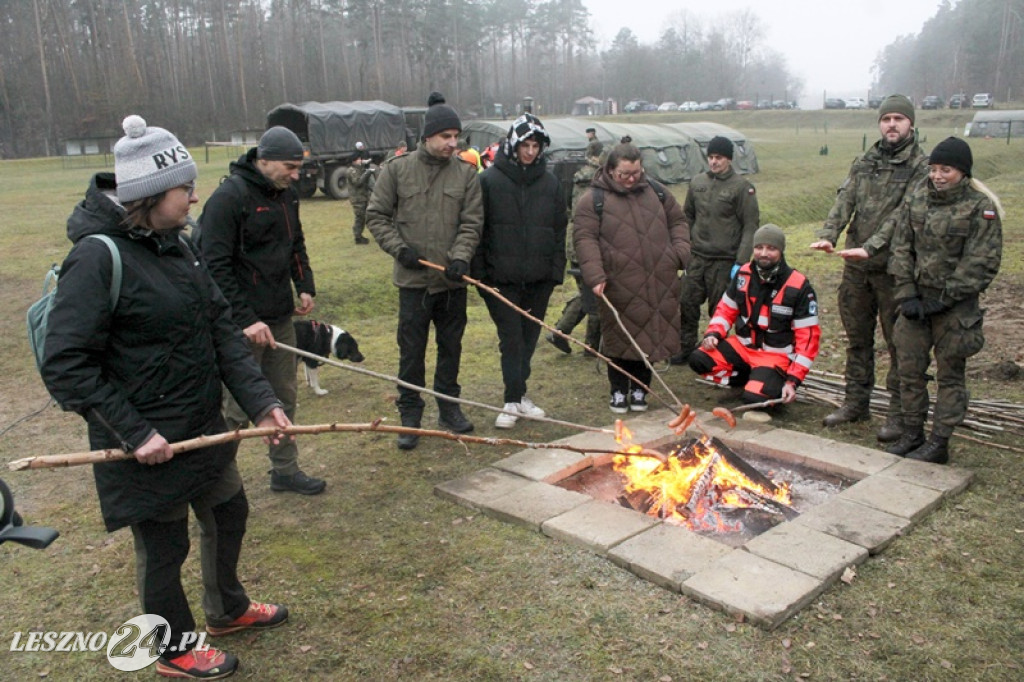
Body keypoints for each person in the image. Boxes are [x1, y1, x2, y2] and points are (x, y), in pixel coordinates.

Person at [41, 116, 291, 679]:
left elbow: (221, 330)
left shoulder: (178, 245)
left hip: (201, 425)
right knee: (164, 547)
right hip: (146, 440)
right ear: (149, 195)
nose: (194, 197)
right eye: (184, 188)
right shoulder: (97, 258)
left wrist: (261, 402)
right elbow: (66, 364)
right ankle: (173, 648)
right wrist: (136, 434)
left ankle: (226, 608)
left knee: (229, 511)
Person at [198, 126, 326, 495]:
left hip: (279, 317)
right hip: (240, 325)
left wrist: (304, 285)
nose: (296, 175)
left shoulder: (288, 196)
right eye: (290, 167)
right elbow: (213, 266)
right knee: (237, 408)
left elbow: (295, 243)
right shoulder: (228, 198)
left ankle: (285, 470)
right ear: (264, 160)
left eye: (299, 167)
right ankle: (214, 482)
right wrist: (245, 319)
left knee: (284, 397)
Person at [366, 92, 484, 449]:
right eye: (446, 136)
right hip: (413, 284)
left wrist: (460, 257)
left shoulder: (466, 174)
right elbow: (376, 215)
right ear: (428, 136)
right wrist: (399, 249)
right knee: (411, 352)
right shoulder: (396, 170)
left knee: (451, 348)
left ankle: (449, 408)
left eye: (456, 136)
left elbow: (471, 223)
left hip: (451, 283)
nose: (453, 143)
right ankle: (410, 415)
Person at [810, 94, 929, 442]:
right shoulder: (864, 162)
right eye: (886, 119)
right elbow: (844, 200)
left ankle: (897, 412)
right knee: (857, 339)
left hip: (895, 269)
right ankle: (855, 402)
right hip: (856, 268)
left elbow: (903, 215)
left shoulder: (921, 166)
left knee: (899, 344)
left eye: (898, 119)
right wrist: (828, 235)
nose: (891, 124)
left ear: (910, 123)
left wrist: (872, 246)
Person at [883, 137, 1002, 463]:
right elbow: (900, 248)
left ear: (962, 172)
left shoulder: (980, 208)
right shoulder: (917, 199)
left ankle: (939, 442)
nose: (937, 176)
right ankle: (912, 433)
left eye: (945, 170)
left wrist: (946, 298)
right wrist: (907, 293)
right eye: (933, 169)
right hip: (915, 304)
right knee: (909, 370)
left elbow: (982, 261)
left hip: (955, 309)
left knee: (950, 375)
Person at [573, 142, 691, 413]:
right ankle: (618, 389)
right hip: (616, 281)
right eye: (624, 174)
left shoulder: (657, 191)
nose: (631, 179)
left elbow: (678, 221)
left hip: (658, 278)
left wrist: (680, 253)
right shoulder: (592, 200)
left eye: (636, 173)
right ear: (610, 170)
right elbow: (585, 238)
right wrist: (595, 274)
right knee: (619, 336)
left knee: (650, 334)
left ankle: (640, 389)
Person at [473, 113, 567, 428]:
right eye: (525, 145)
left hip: (539, 278)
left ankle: (520, 394)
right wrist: (481, 275)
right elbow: (477, 229)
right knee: (511, 339)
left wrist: (555, 273)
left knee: (528, 339)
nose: (530, 151)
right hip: (500, 279)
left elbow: (559, 228)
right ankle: (511, 400)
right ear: (513, 144)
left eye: (536, 146)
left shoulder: (551, 183)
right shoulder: (488, 181)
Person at [688, 224, 821, 405]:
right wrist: (713, 334)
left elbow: (808, 339)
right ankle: (745, 382)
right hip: (743, 347)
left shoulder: (798, 286)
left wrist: (793, 380)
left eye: (771, 248)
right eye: (759, 247)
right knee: (699, 359)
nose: (764, 253)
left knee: (754, 399)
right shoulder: (744, 274)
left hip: (775, 356)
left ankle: (766, 386)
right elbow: (725, 309)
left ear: (781, 250)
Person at [672, 135, 760, 365]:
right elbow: (687, 216)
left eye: (718, 157)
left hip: (724, 260)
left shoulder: (742, 188)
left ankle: (717, 352)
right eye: (710, 157)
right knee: (686, 302)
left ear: (728, 159)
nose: (713, 162)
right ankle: (685, 347)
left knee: (719, 309)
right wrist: (683, 246)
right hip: (697, 257)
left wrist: (741, 261)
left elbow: (750, 226)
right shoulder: (697, 183)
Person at [547, 152, 602, 356]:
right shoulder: (596, 185)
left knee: (587, 294)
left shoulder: (578, 178)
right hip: (586, 245)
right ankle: (591, 347)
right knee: (595, 297)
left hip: (574, 242)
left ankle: (561, 332)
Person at [346, 141, 374, 244]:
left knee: (366, 217)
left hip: (363, 197)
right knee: (360, 218)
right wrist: (366, 174)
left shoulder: (359, 169)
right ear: (354, 161)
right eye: (358, 159)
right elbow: (357, 182)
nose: (360, 160)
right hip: (357, 199)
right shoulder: (351, 171)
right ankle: (357, 236)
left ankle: (360, 235)